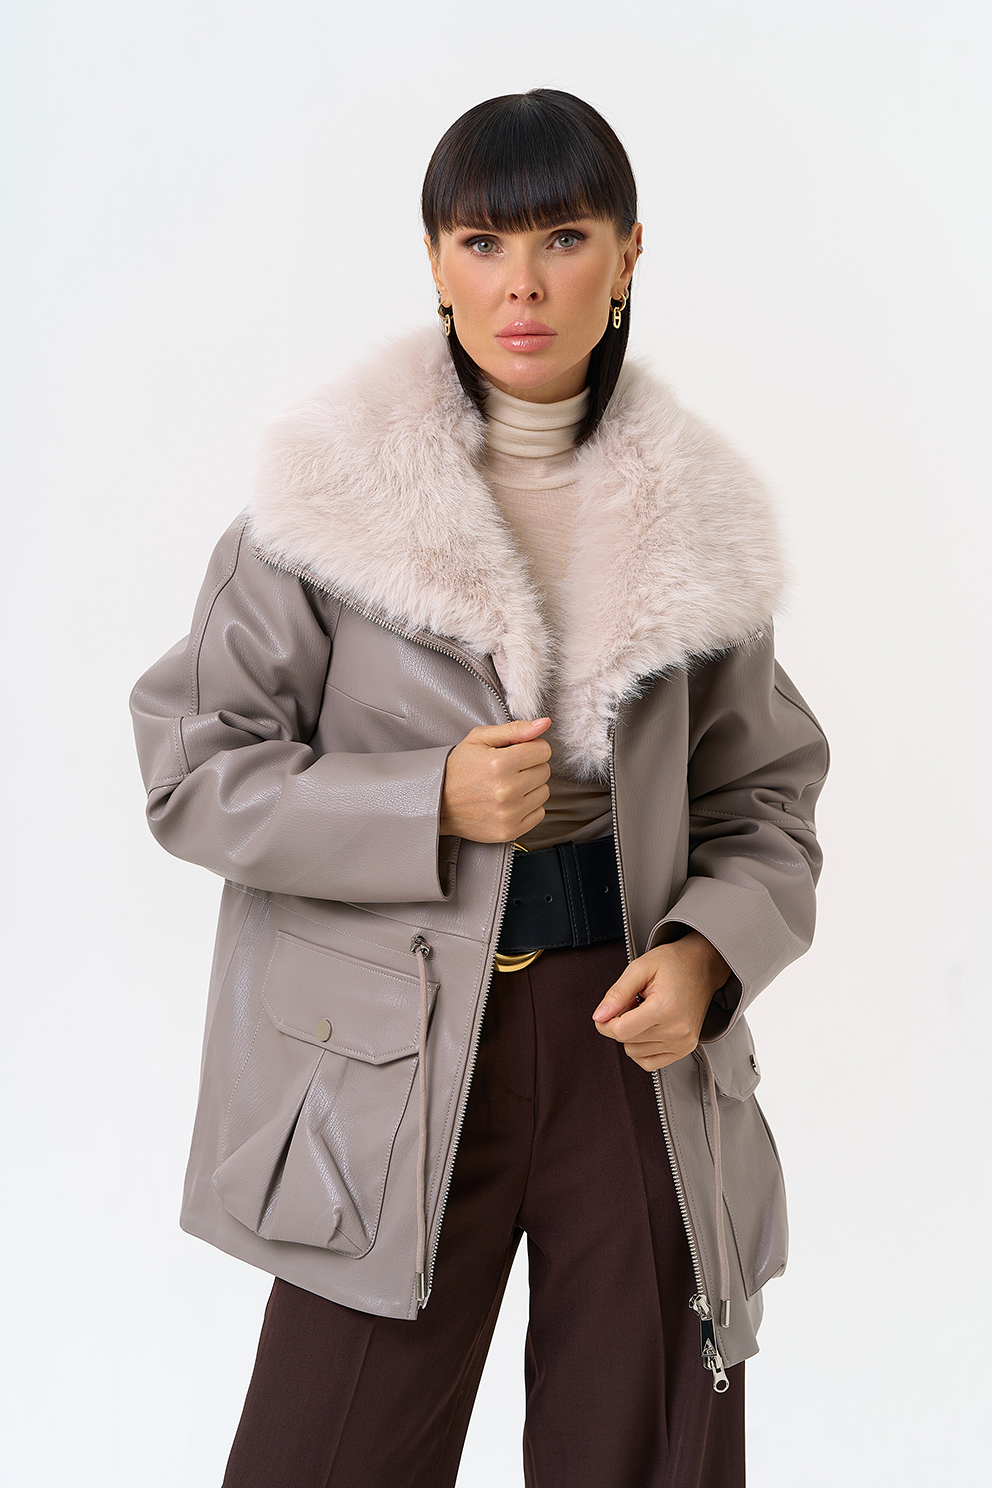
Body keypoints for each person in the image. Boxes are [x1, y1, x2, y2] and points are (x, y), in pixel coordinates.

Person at [131, 89, 828, 1488]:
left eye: (563, 238)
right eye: (482, 242)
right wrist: (428, 803)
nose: (523, 283)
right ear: (436, 262)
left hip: (627, 1035)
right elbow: (192, 768)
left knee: (644, 1451)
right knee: (327, 1453)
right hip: (386, 1048)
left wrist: (709, 954)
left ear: (627, 254)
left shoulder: (698, 526)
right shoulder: (324, 506)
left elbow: (764, 799)